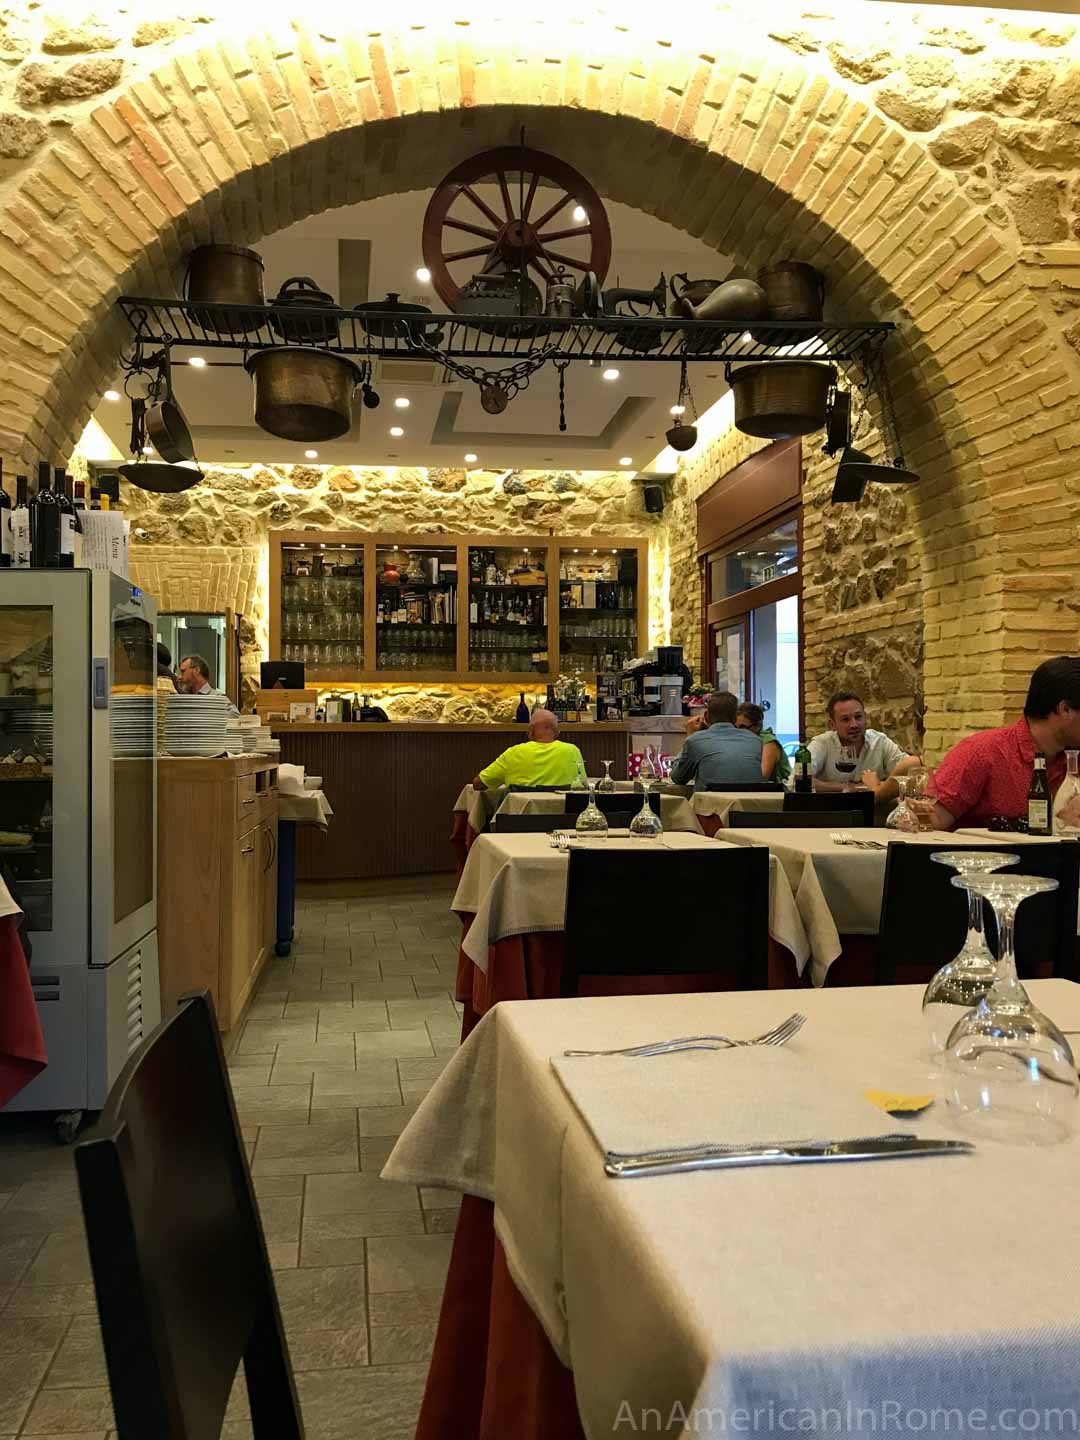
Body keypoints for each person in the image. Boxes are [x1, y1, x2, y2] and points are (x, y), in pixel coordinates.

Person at [922, 656, 1080, 832]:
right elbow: (931, 819)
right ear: (1065, 709)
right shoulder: (983, 752)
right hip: (983, 856)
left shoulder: (1074, 759)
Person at [809, 691, 920, 803]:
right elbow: (799, 781)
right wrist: (851, 788)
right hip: (833, 812)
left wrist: (880, 786)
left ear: (865, 718)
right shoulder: (822, 744)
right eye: (845, 719)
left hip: (873, 813)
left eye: (858, 717)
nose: (854, 724)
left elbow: (909, 773)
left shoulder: (879, 741)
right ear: (832, 724)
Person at [670, 691, 764, 791]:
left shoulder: (695, 741)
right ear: (735, 717)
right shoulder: (756, 741)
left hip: (711, 804)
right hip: (749, 805)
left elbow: (678, 778)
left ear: (706, 716)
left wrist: (690, 736)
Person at [471, 708, 584, 791]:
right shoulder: (573, 751)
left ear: (530, 730)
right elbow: (583, 786)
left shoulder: (514, 752)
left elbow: (478, 784)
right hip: (563, 822)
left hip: (517, 822)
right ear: (557, 731)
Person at [735, 701, 791, 784]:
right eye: (736, 727)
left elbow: (763, 777)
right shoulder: (744, 742)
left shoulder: (769, 742)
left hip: (779, 792)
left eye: (743, 727)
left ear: (758, 726)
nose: (738, 732)